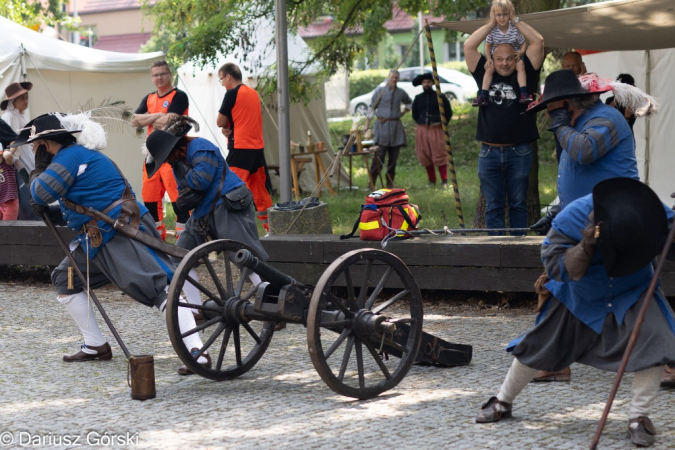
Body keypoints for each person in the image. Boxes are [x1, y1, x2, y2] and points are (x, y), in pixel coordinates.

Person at [476, 177, 675, 448]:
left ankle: (638, 418)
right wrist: (584, 247)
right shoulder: (572, 217)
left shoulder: (650, 208)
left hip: (633, 288)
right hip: (582, 291)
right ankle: (502, 400)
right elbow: (555, 266)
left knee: (657, 339)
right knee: (540, 343)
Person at [20, 112, 205, 373]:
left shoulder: (69, 156)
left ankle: (197, 351)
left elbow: (41, 192)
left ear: (45, 143)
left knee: (159, 285)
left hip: (119, 230)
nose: (33, 150)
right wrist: (54, 213)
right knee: (66, 279)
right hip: (99, 234)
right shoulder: (75, 157)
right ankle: (95, 344)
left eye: (35, 145)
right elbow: (84, 203)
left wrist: (37, 171)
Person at [527, 69, 647, 382]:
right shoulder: (575, 123)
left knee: (639, 294)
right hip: (583, 223)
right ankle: (555, 361)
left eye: (554, 106)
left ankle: (670, 360)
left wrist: (560, 125)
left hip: (618, 219)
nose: (551, 113)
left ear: (569, 102)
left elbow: (583, 151)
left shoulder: (606, 118)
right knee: (556, 286)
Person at [145, 114, 269, 346]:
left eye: (165, 156)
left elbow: (201, 180)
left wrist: (184, 196)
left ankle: (271, 299)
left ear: (174, 146)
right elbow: (186, 192)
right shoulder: (176, 164)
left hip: (227, 202)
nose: (166, 161)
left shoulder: (200, 146)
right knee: (182, 257)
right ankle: (195, 310)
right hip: (204, 214)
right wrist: (183, 198)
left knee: (242, 254)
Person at [464, 4, 544, 233]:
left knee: (519, 205)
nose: (505, 63)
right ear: (492, 59)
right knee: (493, 206)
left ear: (516, 57)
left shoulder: (526, 70)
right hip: (488, 152)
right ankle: (495, 252)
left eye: (510, 58)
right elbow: (469, 45)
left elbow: (537, 41)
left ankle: (517, 252)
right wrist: (491, 23)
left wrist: (513, 19)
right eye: (500, 59)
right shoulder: (484, 71)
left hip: (519, 151)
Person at [131, 60, 190, 240]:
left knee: (179, 202)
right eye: (155, 75)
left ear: (169, 74)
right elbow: (134, 121)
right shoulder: (149, 98)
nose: (159, 78)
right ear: (151, 77)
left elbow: (171, 120)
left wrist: (149, 118)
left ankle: (186, 244)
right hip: (152, 156)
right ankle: (158, 243)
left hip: (174, 155)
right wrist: (158, 116)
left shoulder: (179, 96)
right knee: (149, 201)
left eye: (162, 74)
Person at [215, 63, 273, 233]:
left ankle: (228, 228)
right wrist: (230, 126)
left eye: (221, 79)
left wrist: (226, 126)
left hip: (240, 147)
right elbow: (243, 119)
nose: (222, 84)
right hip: (256, 147)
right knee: (259, 190)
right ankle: (273, 228)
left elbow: (220, 121)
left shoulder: (232, 93)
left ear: (228, 76)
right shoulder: (253, 92)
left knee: (226, 187)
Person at [473, 0, 531, 107]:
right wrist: (489, 59)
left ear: (510, 14)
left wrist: (521, 51)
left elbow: (523, 43)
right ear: (494, 16)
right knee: (489, 69)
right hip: (497, 58)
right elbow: (487, 46)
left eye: (504, 14)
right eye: (498, 15)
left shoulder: (514, 29)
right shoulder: (493, 30)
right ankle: (483, 95)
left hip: (512, 57)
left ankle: (523, 93)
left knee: (521, 65)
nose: (501, 18)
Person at [363, 69, 413, 188]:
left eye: (396, 77)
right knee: (378, 156)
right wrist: (366, 125)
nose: (394, 79)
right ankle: (372, 183)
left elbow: (410, 103)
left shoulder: (401, 92)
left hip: (396, 128)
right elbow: (372, 107)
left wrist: (403, 112)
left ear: (398, 78)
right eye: (392, 77)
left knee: (393, 158)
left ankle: (390, 183)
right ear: (388, 77)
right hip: (381, 128)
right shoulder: (380, 91)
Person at [1, 81, 39, 220]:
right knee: (25, 200)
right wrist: (16, 163)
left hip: (27, 162)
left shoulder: (21, 115)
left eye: (26, 97)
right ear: (13, 101)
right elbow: (10, 143)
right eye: (22, 98)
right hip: (15, 166)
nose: (25, 101)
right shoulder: (9, 116)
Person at [411, 72, 452, 186]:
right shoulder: (418, 98)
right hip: (422, 129)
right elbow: (415, 114)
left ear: (433, 83)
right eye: (424, 82)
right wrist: (422, 124)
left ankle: (444, 180)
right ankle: (432, 181)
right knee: (425, 154)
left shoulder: (440, 97)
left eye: (428, 82)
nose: (426, 84)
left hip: (437, 128)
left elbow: (448, 112)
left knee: (439, 153)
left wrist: (442, 124)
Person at [0, 141, 18, 220]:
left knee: (8, 228)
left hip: (9, 201)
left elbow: (8, 156)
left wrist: (5, 152)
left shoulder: (7, 165)